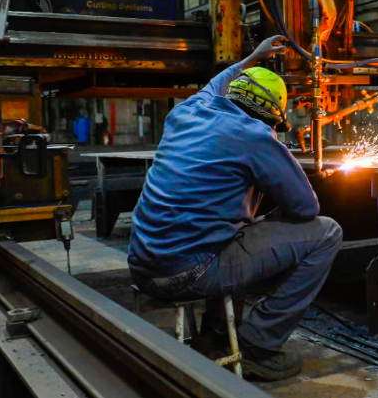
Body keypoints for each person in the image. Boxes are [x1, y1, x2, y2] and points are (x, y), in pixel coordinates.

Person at [127, 36, 342, 380]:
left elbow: (217, 83)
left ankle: (215, 336)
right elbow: (305, 208)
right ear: (270, 116)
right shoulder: (256, 136)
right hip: (187, 275)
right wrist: (275, 162)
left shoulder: (187, 109)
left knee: (240, 229)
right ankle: (258, 347)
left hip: (140, 265)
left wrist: (253, 57)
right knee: (328, 232)